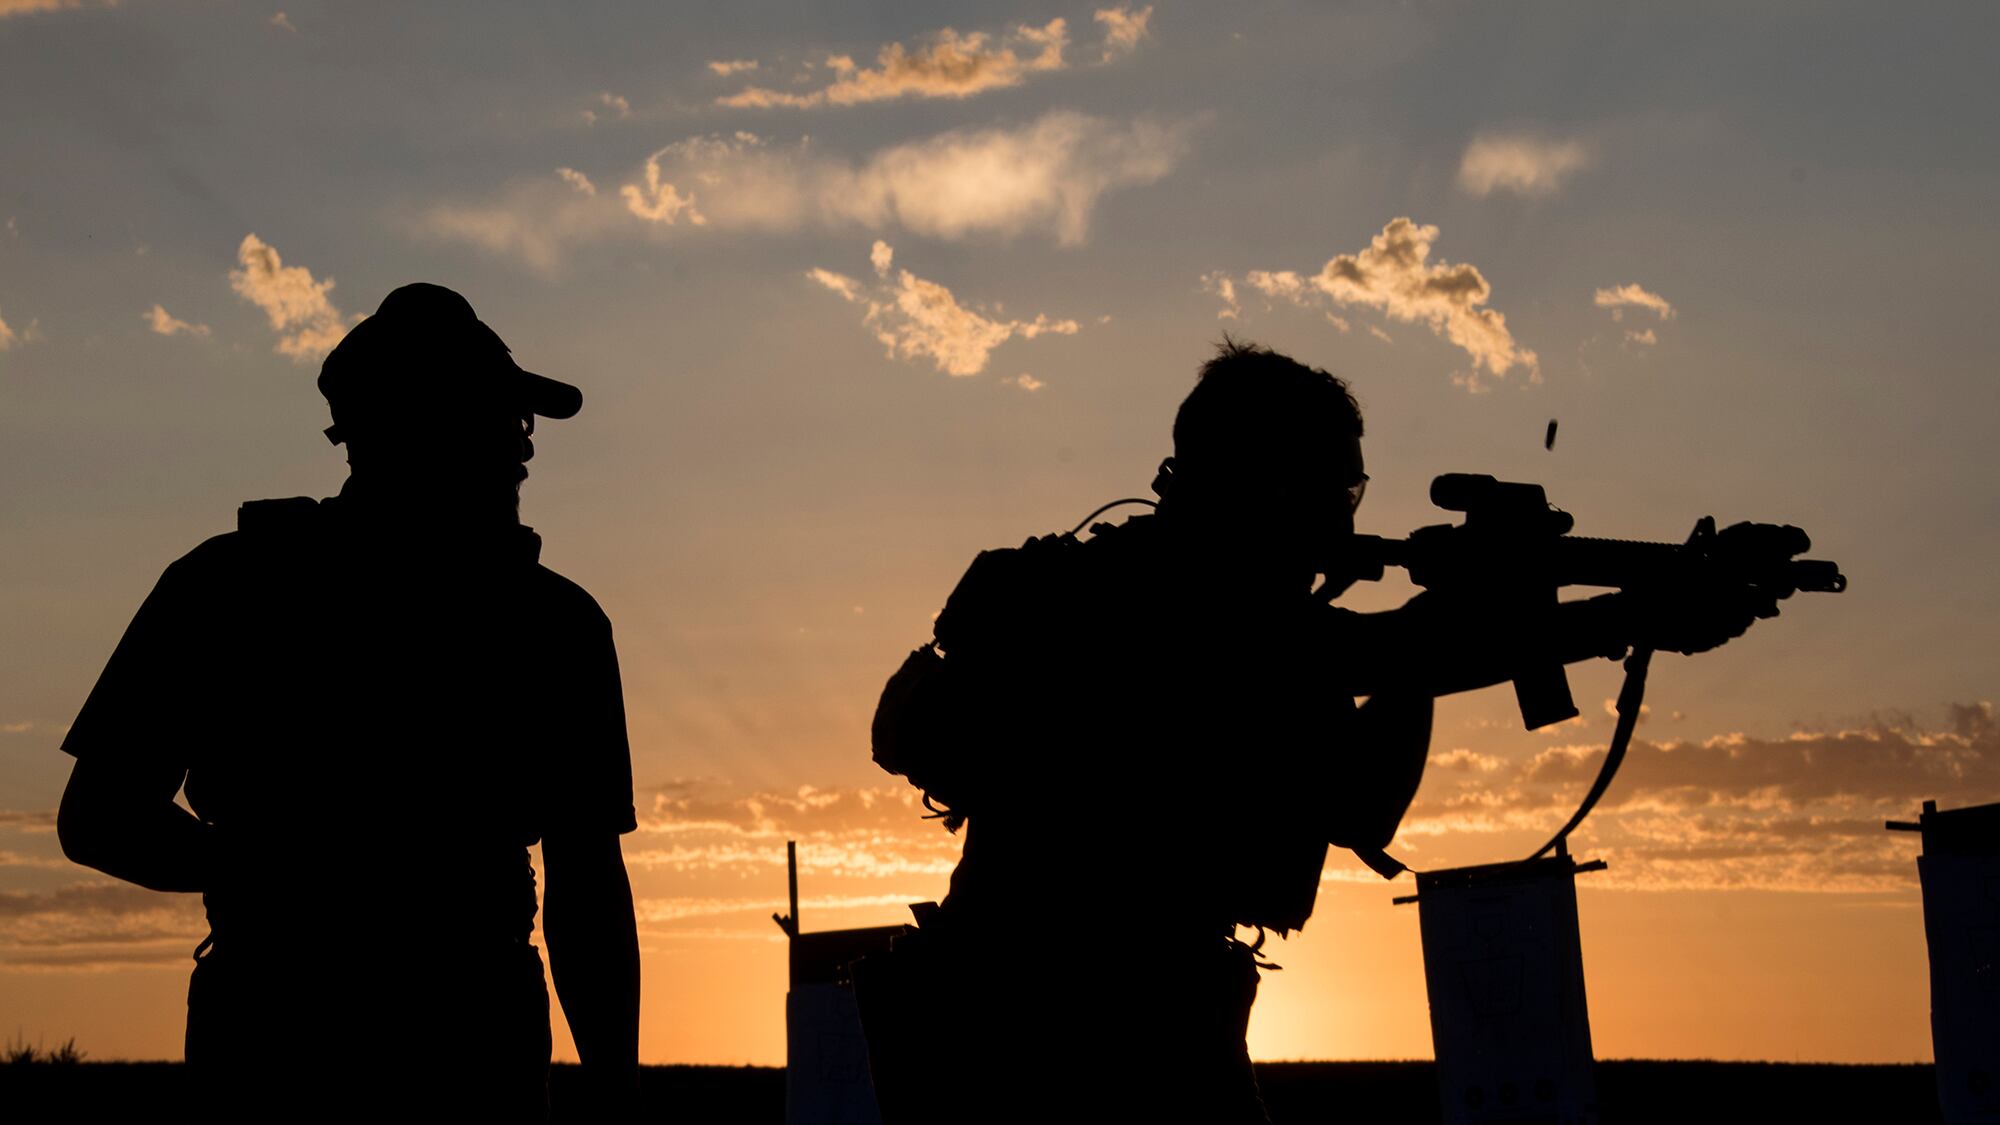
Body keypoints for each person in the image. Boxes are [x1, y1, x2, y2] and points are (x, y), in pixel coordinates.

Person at [856, 341, 1777, 1123]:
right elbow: (1384, 684)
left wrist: (1550, 609)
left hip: (1017, 1011)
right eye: (1335, 486)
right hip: (1078, 1022)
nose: (1349, 514)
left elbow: (1361, 754)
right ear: (1268, 485)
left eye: (1353, 485)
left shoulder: (1128, 582)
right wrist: (1626, 613)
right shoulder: (1179, 605)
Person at [56, 284, 640, 1123]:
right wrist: (281, 874)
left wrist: (618, 1096)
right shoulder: (225, 587)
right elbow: (100, 816)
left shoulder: (558, 622)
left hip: (463, 1060)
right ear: (404, 431)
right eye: (496, 422)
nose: (521, 454)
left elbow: (587, 883)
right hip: (291, 1050)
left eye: (521, 427)